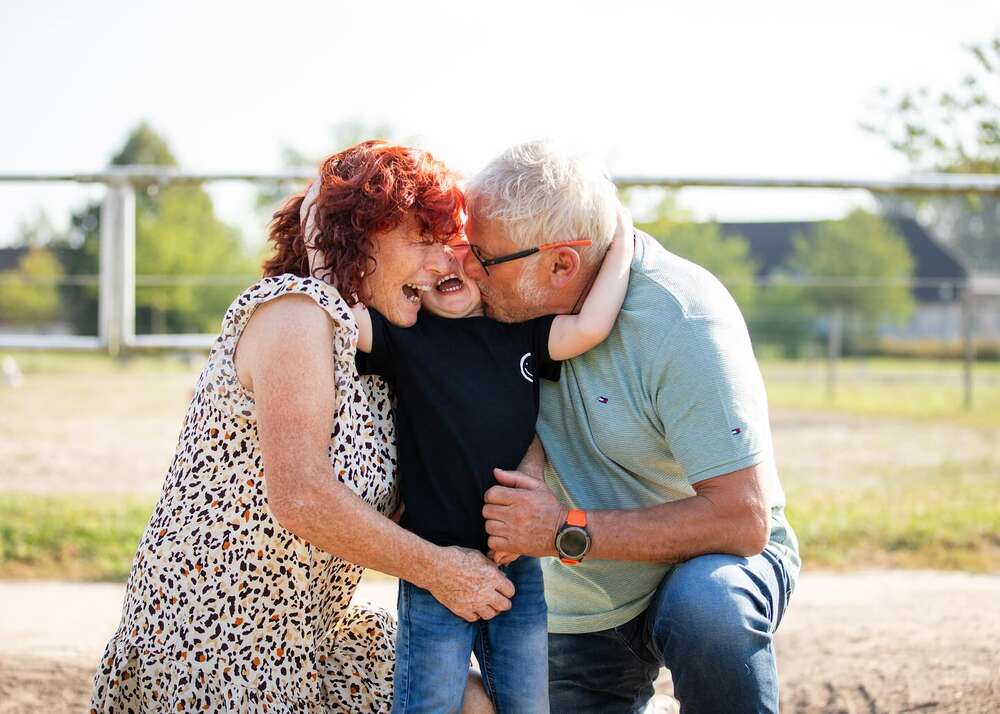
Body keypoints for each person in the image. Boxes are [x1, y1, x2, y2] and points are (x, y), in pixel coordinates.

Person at [90, 140, 511, 713]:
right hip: (215, 641)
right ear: (363, 237)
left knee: (472, 703)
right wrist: (441, 571)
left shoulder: (385, 350)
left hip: (316, 637)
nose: (444, 263)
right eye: (423, 241)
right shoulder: (295, 312)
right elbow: (302, 496)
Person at [469, 141, 801, 713]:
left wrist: (563, 531)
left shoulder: (681, 318)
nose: (466, 267)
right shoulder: (491, 306)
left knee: (710, 607)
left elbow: (740, 520)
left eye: (484, 256)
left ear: (562, 263)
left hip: (698, 562)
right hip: (580, 602)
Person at [336, 178, 633, 712]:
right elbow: (332, 310)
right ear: (413, 288)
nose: (448, 264)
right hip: (436, 562)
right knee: (431, 702)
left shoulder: (522, 334)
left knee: (527, 701)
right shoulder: (405, 340)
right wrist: (324, 231)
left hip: (515, 558)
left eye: (462, 252)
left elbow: (591, 325)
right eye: (431, 260)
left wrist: (622, 237)